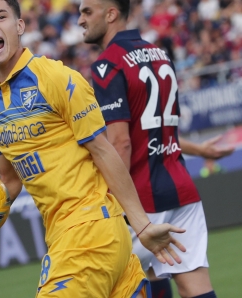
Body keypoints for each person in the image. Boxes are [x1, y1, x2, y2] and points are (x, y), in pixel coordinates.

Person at [0, 1, 187, 297]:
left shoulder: (59, 79)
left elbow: (103, 151)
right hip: (72, 237)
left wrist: (142, 225)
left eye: (0, 17)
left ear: (19, 27)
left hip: (88, 234)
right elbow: (8, 181)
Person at [79, 0, 235, 297]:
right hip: (181, 188)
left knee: (119, 285)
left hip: (141, 197)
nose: (80, 21)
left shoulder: (107, 64)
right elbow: (156, 130)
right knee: (193, 286)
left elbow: (121, 142)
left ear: (110, 13)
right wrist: (200, 150)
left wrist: (111, 198)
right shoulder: (160, 54)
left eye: (87, 12)